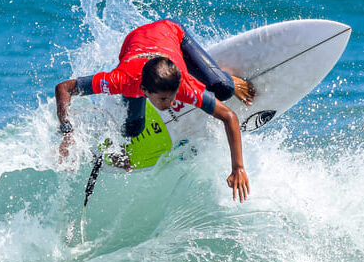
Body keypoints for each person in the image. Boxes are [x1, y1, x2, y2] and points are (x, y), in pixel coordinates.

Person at [55, 19, 254, 201]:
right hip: (135, 42)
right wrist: (67, 132)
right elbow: (64, 88)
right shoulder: (121, 80)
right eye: (163, 99)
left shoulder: (183, 85)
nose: (170, 104)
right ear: (144, 91)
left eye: (173, 96)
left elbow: (229, 116)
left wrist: (238, 167)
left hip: (169, 31)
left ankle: (220, 75)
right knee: (132, 129)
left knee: (223, 89)